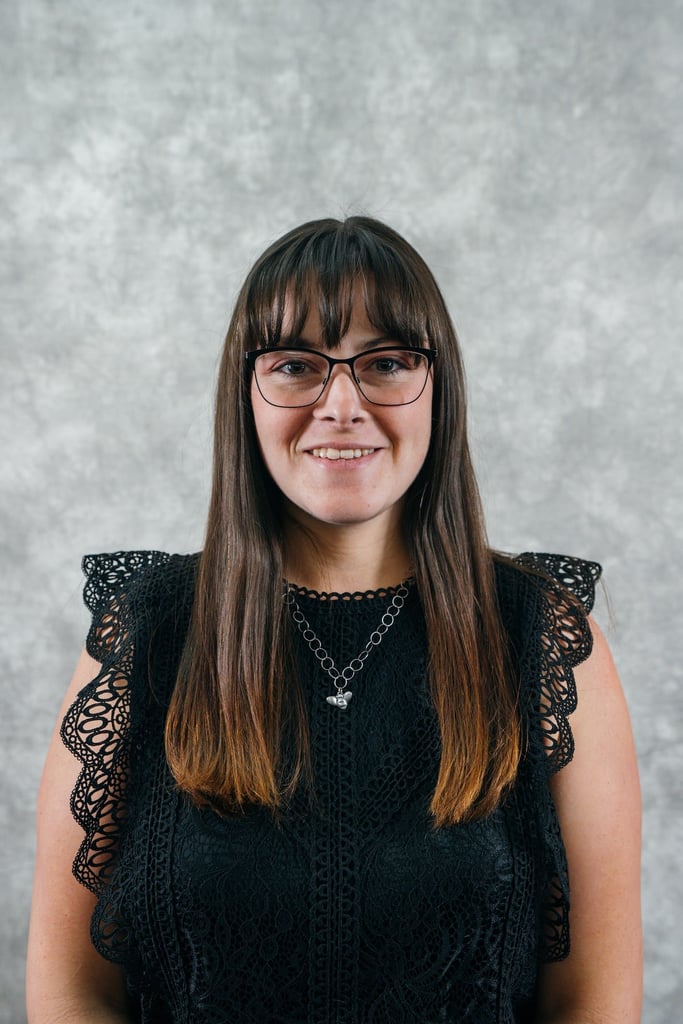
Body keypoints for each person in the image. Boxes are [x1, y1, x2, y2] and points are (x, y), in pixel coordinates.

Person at [26, 216, 642, 1023]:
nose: (340, 405)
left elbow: (593, 1002)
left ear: (439, 387)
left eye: (386, 362)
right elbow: (71, 990)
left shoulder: (542, 639)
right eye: (294, 366)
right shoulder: (147, 632)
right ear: (245, 393)